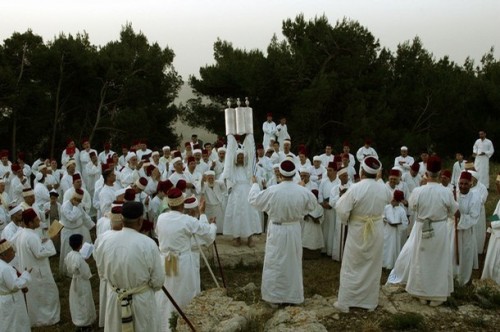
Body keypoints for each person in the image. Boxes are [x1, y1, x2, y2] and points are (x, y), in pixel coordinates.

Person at [248, 159, 318, 306]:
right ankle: (292, 296)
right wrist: (300, 210)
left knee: (276, 262)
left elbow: (253, 199)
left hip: (277, 229)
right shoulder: (302, 191)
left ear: (280, 174)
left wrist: (254, 184)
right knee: (292, 262)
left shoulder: (273, 190)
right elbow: (312, 204)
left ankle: (274, 297)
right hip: (293, 229)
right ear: (294, 174)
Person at [94, 201, 164, 332]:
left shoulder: (104, 241)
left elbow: (102, 273)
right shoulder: (148, 244)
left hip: (115, 299)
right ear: (140, 221)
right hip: (141, 301)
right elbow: (158, 281)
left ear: (121, 219)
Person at [333, 156, 391, 313]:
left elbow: (341, 208)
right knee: (372, 264)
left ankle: (346, 301)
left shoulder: (356, 188)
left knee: (352, 264)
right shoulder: (383, 188)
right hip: (377, 228)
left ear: (362, 171)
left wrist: (348, 219)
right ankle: (369, 301)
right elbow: (390, 198)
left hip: (358, 229)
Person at [155, 188, 216, 332]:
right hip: (182, 261)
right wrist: (210, 222)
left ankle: (165, 324)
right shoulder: (187, 220)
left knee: (168, 290)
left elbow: (158, 234)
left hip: (166, 259)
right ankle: (185, 322)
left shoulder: (161, 218)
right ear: (182, 204)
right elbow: (207, 234)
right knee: (184, 290)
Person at [405, 156, 458, 307]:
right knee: (438, 260)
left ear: (426, 174)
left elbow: (411, 207)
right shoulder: (446, 192)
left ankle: (421, 292)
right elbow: (454, 210)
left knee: (422, 259)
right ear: (440, 174)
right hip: (439, 228)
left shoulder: (418, 191)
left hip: (422, 226)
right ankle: (436, 294)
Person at [13, 208, 60, 327]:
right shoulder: (31, 236)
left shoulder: (23, 233)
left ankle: (36, 318)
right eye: (36, 220)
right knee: (48, 294)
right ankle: (47, 319)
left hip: (29, 269)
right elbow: (39, 253)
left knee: (34, 297)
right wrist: (50, 240)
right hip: (38, 271)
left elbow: (34, 247)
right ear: (30, 223)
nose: (39, 221)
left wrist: (42, 240)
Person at [222, 134, 261, 247]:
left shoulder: (248, 170)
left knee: (248, 214)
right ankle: (236, 237)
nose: (240, 159)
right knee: (236, 214)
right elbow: (229, 158)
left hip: (247, 193)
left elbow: (251, 154)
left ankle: (250, 237)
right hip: (236, 193)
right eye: (238, 157)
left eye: (241, 157)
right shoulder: (233, 170)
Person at [453, 171, 480, 286]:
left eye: (465, 184)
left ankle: (463, 280)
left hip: (466, 232)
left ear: (470, 184)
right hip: (453, 232)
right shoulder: (454, 195)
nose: (462, 186)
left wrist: (460, 216)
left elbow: (474, 217)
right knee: (452, 254)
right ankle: (452, 278)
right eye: (461, 183)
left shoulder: (475, 198)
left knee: (465, 256)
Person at [59, 188, 95, 276]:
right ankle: (68, 271)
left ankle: (79, 267)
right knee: (68, 250)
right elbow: (72, 218)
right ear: (73, 199)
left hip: (78, 230)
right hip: (68, 231)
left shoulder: (78, 204)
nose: (79, 202)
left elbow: (84, 216)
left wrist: (92, 225)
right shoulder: (65, 206)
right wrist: (75, 206)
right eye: (78, 200)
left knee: (79, 250)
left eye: (80, 200)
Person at [65, 234, 96, 330]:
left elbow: (69, 267)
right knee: (84, 301)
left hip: (74, 280)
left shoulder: (69, 255)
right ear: (80, 245)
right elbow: (86, 273)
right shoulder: (79, 258)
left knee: (76, 302)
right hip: (82, 282)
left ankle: (77, 320)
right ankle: (85, 323)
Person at [0, 239, 31, 332]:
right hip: (11, 300)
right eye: (11, 250)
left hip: (3, 299)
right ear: (3, 255)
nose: (14, 252)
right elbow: (14, 285)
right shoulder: (6, 268)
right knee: (14, 323)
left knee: (5, 322)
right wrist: (26, 275)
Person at [382, 190, 409, 270]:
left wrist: (397, 225)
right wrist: (385, 220)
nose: (394, 201)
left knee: (393, 248)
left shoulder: (401, 210)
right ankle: (383, 264)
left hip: (395, 233)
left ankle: (391, 265)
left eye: (396, 200)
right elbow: (382, 215)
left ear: (399, 201)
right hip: (387, 231)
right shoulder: (387, 207)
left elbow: (405, 223)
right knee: (385, 247)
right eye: (394, 199)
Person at [482, 200, 500, 284]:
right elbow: (495, 215)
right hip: (494, 235)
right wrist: (489, 226)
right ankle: (486, 283)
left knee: (497, 263)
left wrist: (492, 224)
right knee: (489, 260)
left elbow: (495, 222)